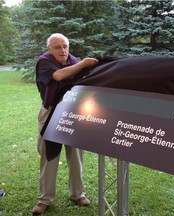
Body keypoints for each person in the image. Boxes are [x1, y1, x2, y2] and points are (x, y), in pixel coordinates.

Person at [32, 33, 98, 215]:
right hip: (51, 112)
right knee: (49, 156)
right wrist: (83, 64)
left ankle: (78, 194)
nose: (63, 50)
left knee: (75, 154)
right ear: (49, 49)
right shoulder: (44, 61)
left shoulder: (73, 60)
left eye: (65, 46)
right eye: (57, 47)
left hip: (72, 113)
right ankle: (45, 199)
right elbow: (59, 76)